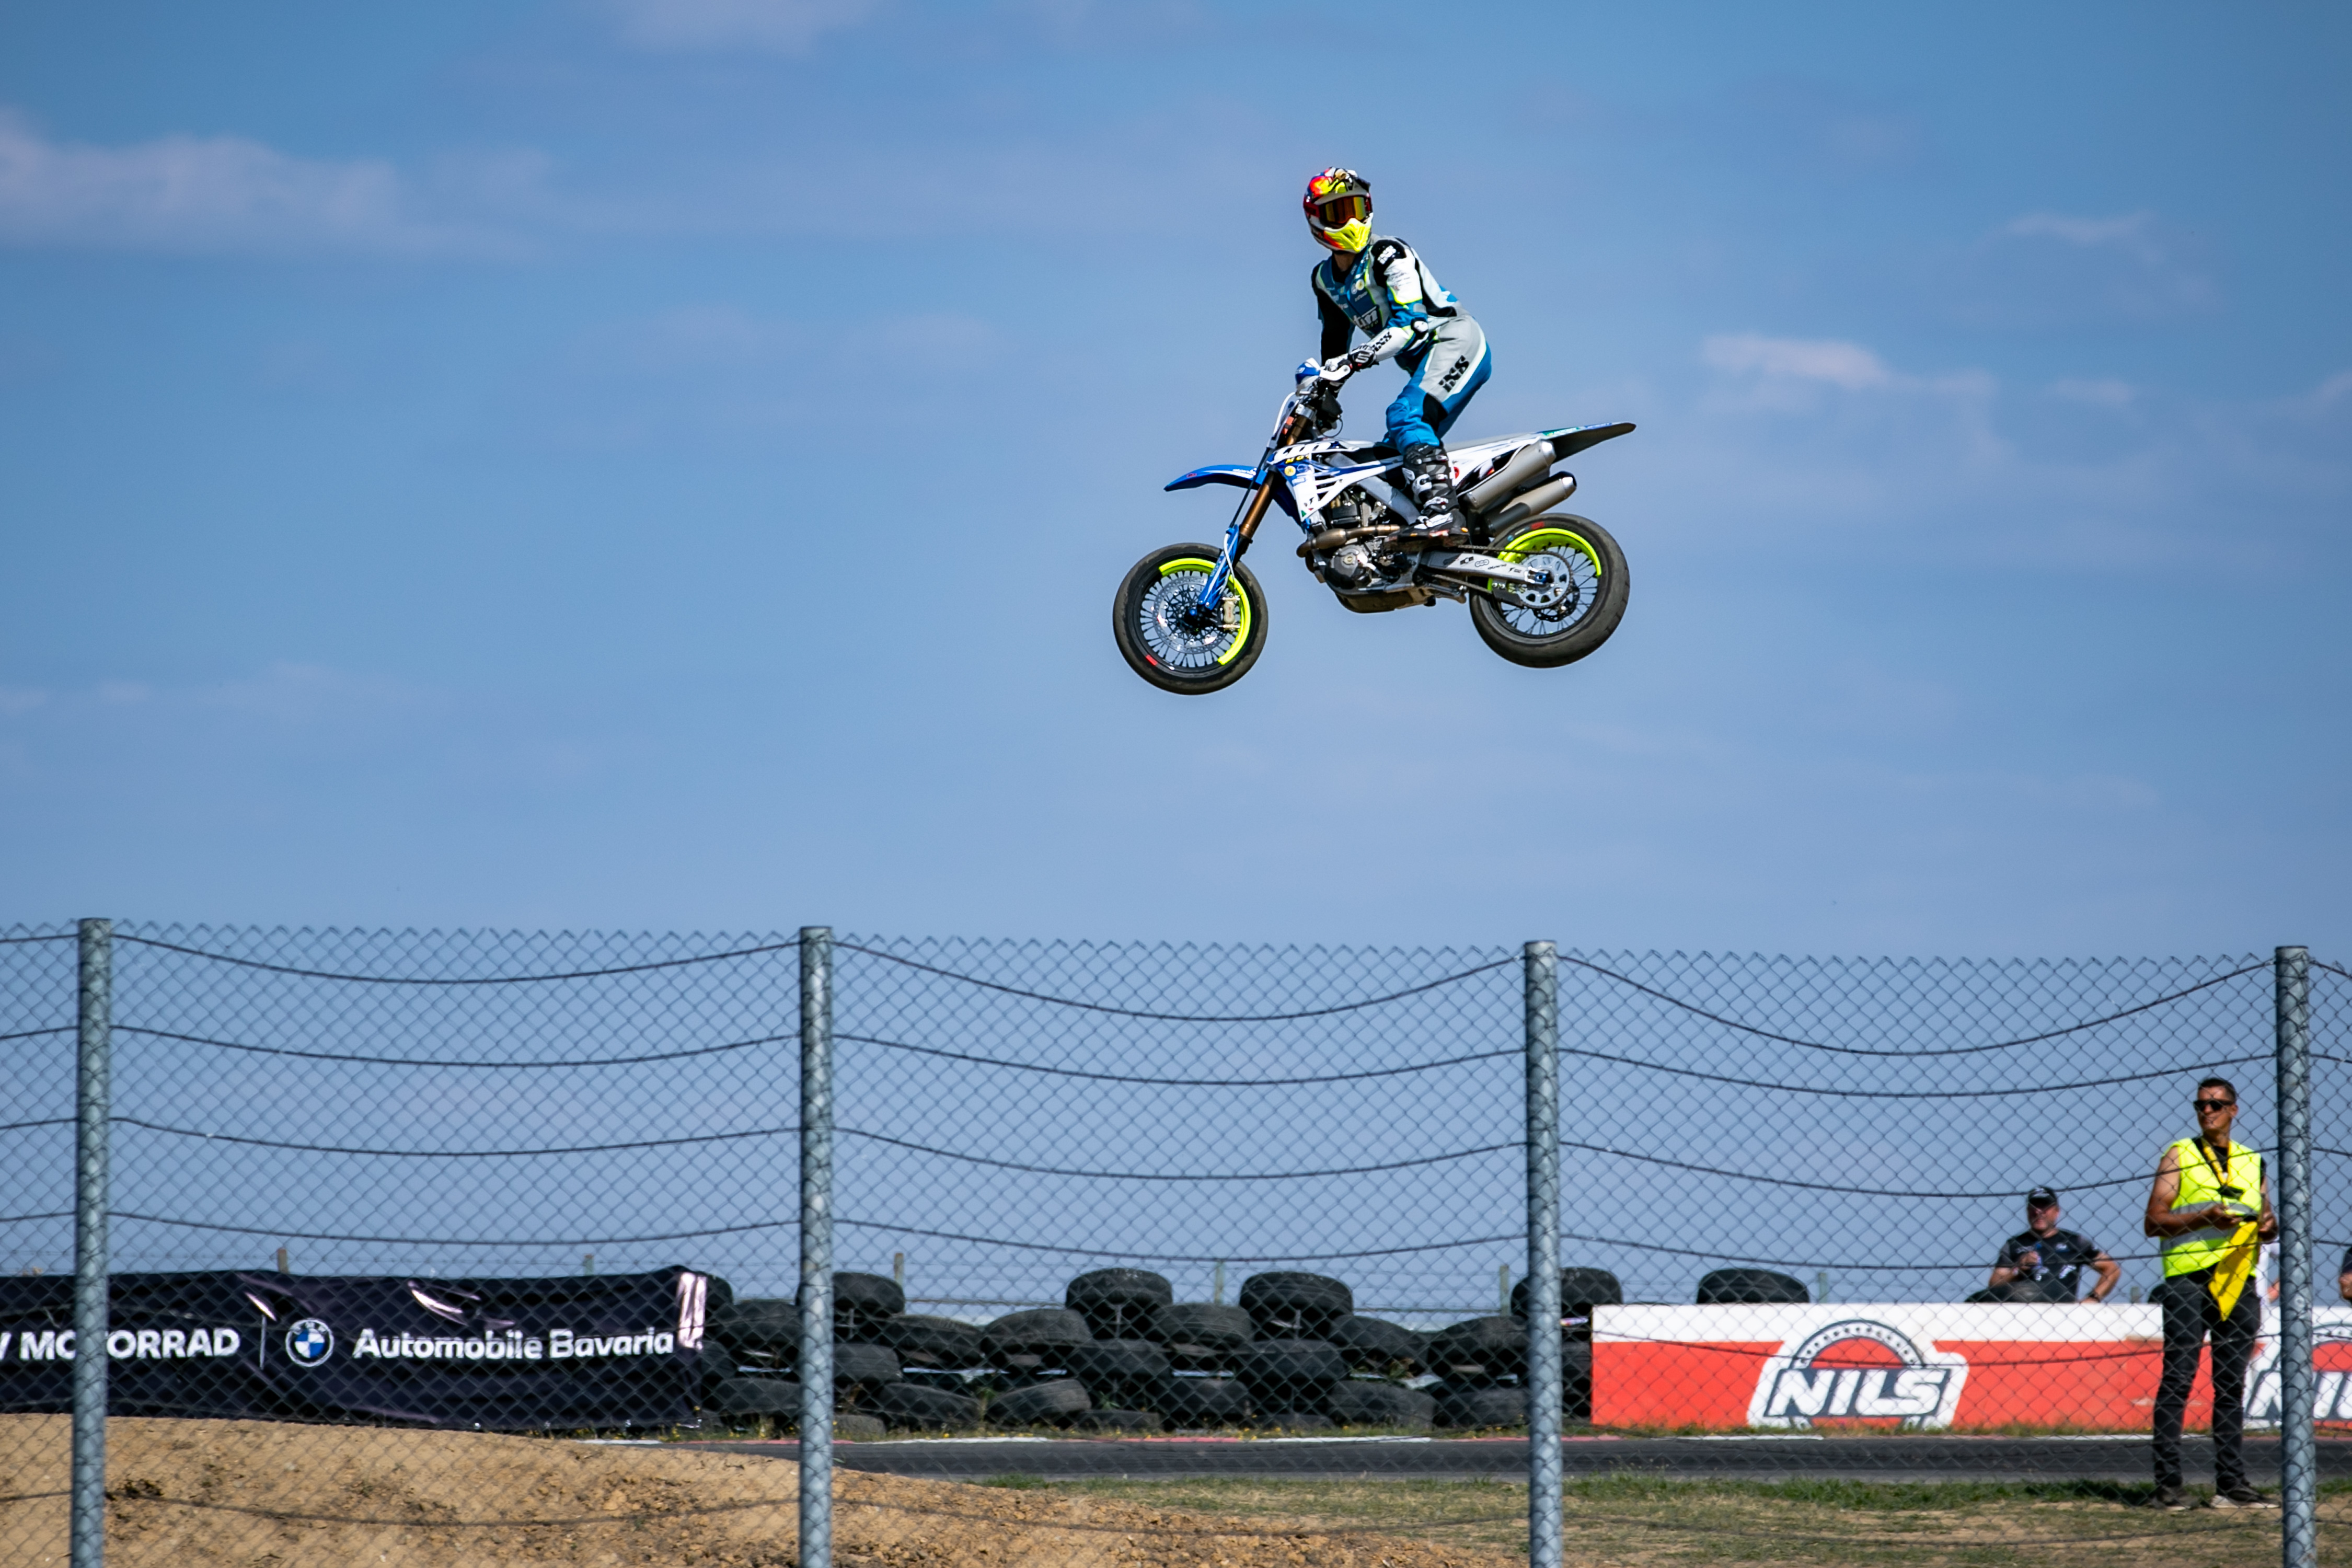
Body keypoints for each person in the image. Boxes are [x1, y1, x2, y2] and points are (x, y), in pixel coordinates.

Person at [1303, 167, 1492, 545]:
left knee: (1406, 415)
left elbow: (1410, 325)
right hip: (1427, 361)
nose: (1352, 220)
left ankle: (1443, 512)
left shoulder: (1389, 253)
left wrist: (1353, 362)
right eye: (1339, 212)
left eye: (1357, 209)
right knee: (1389, 456)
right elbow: (1334, 342)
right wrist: (1322, 395)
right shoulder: (1324, 279)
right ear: (1317, 220)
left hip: (1454, 341)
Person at [2142, 1076, 2278, 1511]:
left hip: (2238, 1280)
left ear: (2233, 1110)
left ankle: (2231, 1485)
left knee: (2231, 1386)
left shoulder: (2252, 1161)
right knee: (2178, 1380)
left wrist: (2268, 1225)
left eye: (2216, 1105)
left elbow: (2268, 1217)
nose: (2207, 1111)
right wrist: (2204, 1218)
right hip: (2189, 1280)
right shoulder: (2180, 1154)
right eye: (2201, 1105)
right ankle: (2168, 1487)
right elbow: (2153, 1221)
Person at [1989, 1186, 2119, 1302]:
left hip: (2064, 1311)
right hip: (2023, 1311)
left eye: (2045, 1207)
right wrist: (2019, 1269)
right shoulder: (2014, 1244)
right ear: (2028, 1211)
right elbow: (1994, 1284)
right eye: (2034, 1207)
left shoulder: (2075, 1242)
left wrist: (2093, 1298)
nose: (2039, 1212)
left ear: (2057, 1211)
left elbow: (2111, 1269)